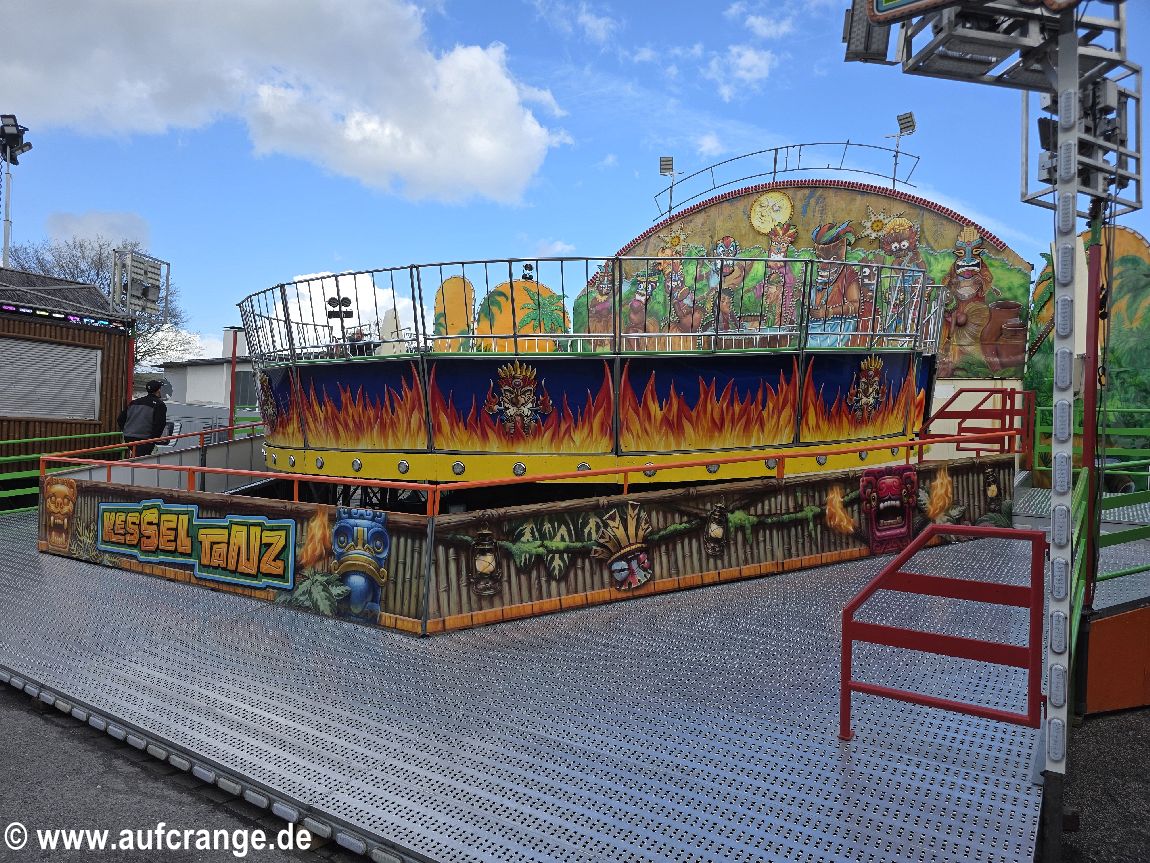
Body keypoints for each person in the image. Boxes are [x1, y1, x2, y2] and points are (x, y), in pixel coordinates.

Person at [117, 380, 168, 456]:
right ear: (158, 390)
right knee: (141, 459)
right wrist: (152, 439)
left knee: (136, 456)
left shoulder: (134, 402)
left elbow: (120, 419)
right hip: (145, 439)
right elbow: (159, 424)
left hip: (128, 437)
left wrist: (126, 431)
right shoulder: (159, 404)